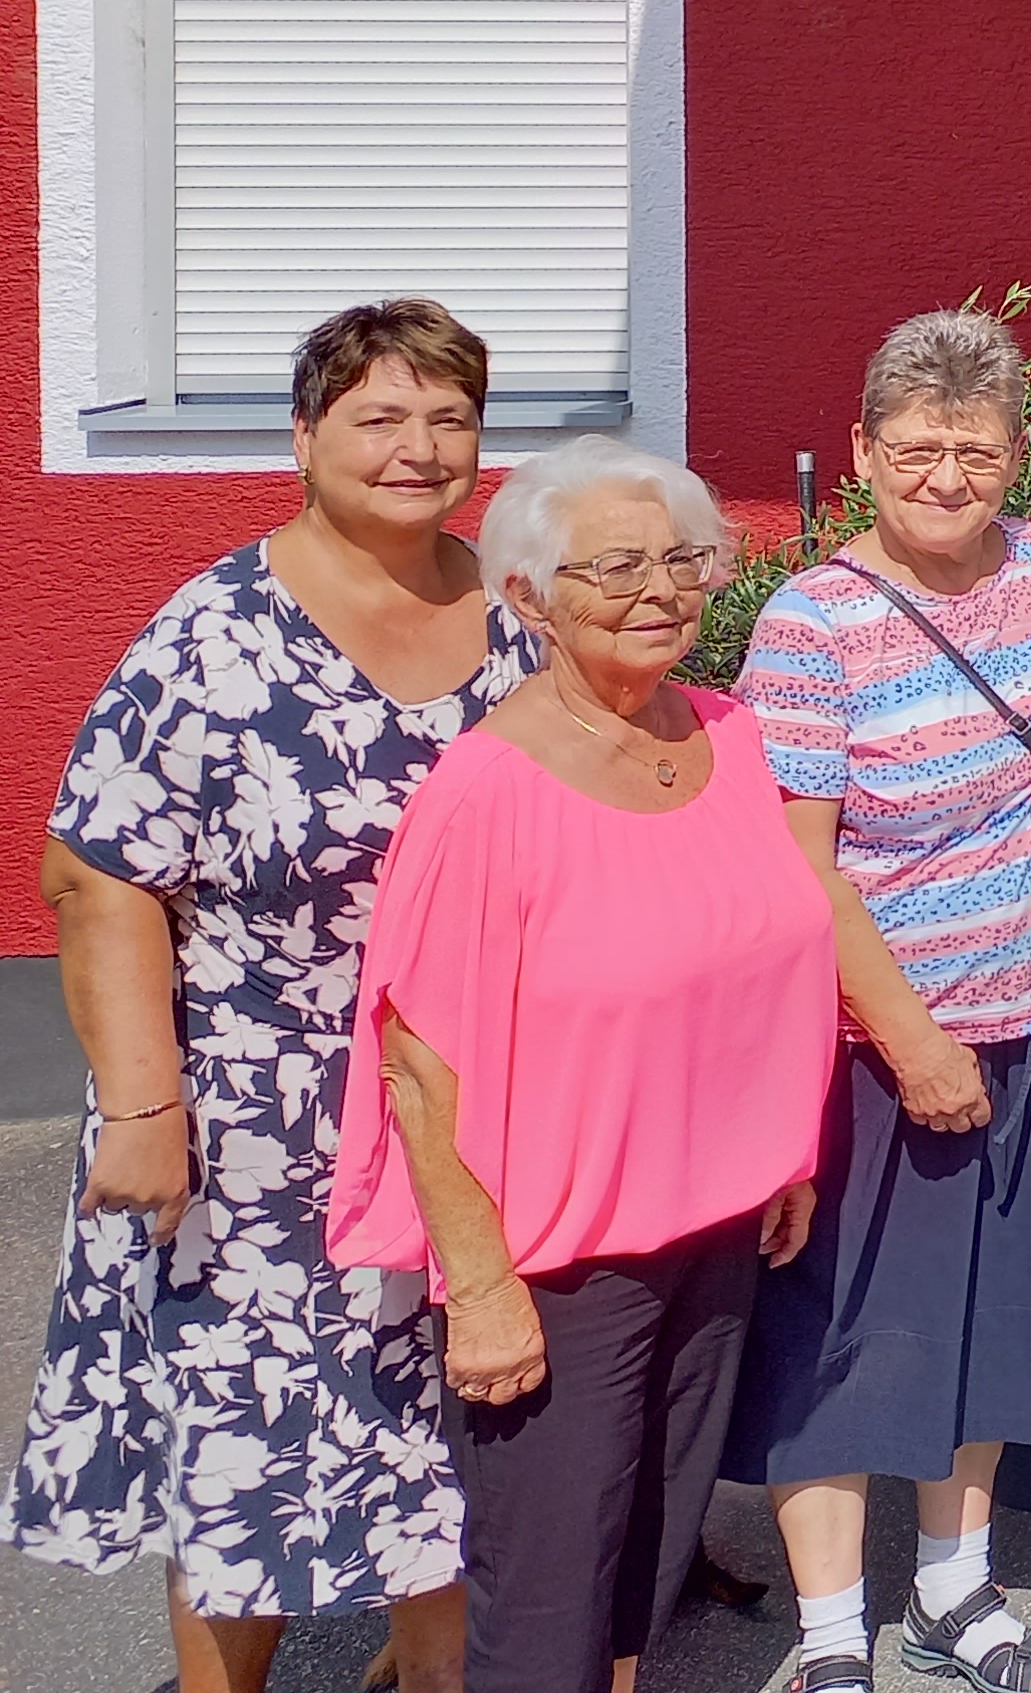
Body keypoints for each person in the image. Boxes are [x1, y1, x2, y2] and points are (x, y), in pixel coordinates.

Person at [10, 304, 519, 1693]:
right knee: (249, 1455)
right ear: (306, 440)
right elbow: (96, 877)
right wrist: (143, 1108)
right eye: (381, 418)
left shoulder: (514, 606)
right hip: (251, 1105)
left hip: (466, 1096)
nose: (419, 449)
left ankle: (434, 1674)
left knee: (448, 1428)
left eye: (449, 419)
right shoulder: (215, 636)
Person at [326, 435, 839, 1693]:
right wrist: (482, 1284)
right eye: (616, 566)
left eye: (683, 559)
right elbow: (415, 1060)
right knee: (546, 1591)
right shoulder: (487, 793)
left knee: (646, 1565)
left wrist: (778, 1154)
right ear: (530, 599)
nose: (660, 589)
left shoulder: (728, 734)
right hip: (557, 1261)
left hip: (715, 1227)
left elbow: (755, 959)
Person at [726, 311, 1031, 1693]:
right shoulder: (809, 623)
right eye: (916, 449)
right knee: (847, 1332)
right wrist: (910, 1039)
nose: (946, 476)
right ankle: (831, 1626)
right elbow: (802, 873)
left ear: (1017, 456)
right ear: (861, 453)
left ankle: (955, 1593)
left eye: (975, 450)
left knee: (996, 1320)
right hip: (888, 1036)